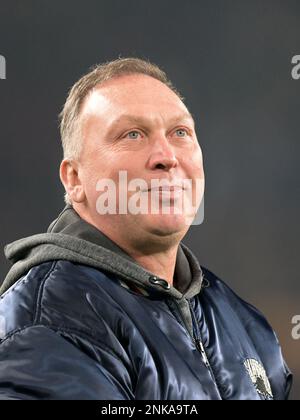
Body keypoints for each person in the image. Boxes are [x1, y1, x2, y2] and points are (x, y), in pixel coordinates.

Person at [0, 58, 292, 400]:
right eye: (132, 134)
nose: (166, 156)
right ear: (74, 179)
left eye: (180, 133)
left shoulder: (245, 324)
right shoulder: (46, 326)